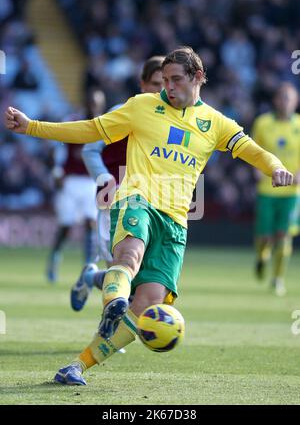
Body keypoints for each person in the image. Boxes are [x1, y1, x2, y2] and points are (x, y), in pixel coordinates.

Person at [4, 47, 293, 386]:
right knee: (130, 254)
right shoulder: (141, 106)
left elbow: (252, 150)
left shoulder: (215, 123)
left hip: (175, 222)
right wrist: (33, 127)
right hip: (136, 200)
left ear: (198, 78)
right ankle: (114, 302)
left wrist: (275, 167)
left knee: (148, 304)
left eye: (175, 80)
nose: (167, 88)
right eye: (164, 81)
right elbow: (90, 130)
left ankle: (77, 367)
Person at [70, 56, 165, 311]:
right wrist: (105, 180)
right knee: (120, 270)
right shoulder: (122, 112)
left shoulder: (172, 121)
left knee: (136, 279)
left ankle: (90, 277)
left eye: (166, 83)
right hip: (115, 201)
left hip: (150, 204)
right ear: (142, 84)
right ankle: (107, 333)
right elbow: (90, 150)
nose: (162, 90)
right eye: (156, 83)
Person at [46, 89, 106, 282]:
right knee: (66, 225)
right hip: (71, 180)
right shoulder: (73, 121)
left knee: (91, 222)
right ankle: (54, 258)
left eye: (96, 104)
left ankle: (87, 268)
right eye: (91, 102)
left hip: (90, 181)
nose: (93, 107)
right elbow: (58, 148)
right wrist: (57, 172)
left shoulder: (105, 125)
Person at [252, 82, 300, 296]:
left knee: (283, 235)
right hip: (267, 188)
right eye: (282, 98)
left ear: (295, 101)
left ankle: (277, 278)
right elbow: (254, 149)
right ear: (275, 101)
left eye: (289, 98)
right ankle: (262, 256)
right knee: (265, 237)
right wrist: (256, 169)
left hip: (291, 192)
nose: (285, 102)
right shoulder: (262, 123)